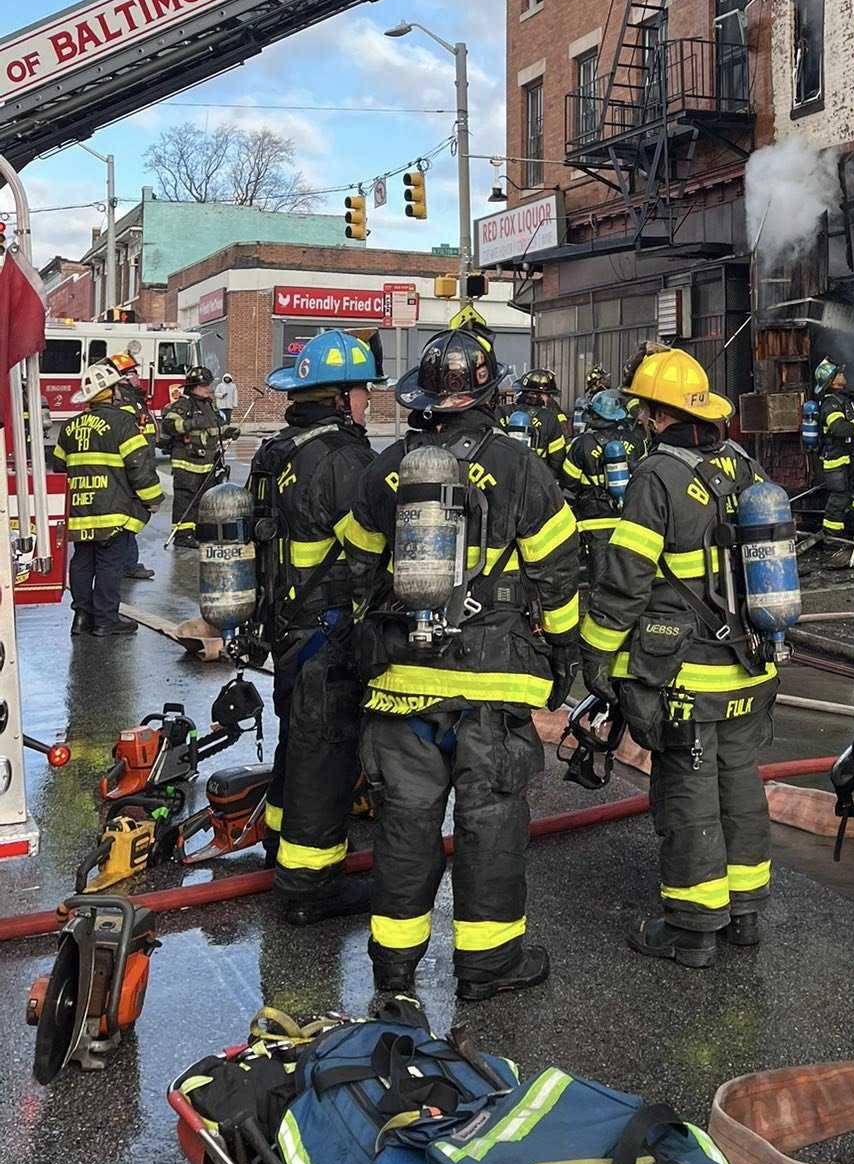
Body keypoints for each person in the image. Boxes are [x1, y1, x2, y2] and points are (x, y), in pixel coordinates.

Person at [340, 328, 581, 1006]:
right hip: (493, 688)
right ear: (491, 395)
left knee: (405, 831)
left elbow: (354, 569)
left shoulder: (389, 468)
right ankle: (488, 967)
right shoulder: (519, 467)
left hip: (401, 688)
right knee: (491, 825)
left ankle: (393, 974)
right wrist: (564, 652)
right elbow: (558, 574)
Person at [581, 347, 778, 966]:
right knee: (740, 788)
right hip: (751, 667)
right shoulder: (742, 467)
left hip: (685, 676)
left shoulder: (657, 476)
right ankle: (744, 915)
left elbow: (624, 581)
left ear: (654, 414)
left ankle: (694, 929)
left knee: (689, 795)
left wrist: (595, 658)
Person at [248, 329, 380, 926]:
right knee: (323, 752)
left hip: (287, 629)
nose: (368, 402)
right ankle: (308, 887)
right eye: (363, 391)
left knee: (296, 743)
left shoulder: (278, 451)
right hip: (330, 633)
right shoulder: (346, 460)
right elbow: (372, 552)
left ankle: (278, 843)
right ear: (341, 395)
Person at [51, 360, 163, 636]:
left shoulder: (70, 426)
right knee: (109, 564)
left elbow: (59, 466)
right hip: (113, 509)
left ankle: (80, 618)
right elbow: (139, 466)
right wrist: (153, 499)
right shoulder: (122, 422)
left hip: (80, 510)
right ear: (111, 391)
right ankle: (105, 620)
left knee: (82, 561)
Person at [561, 387, 648, 581]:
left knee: (599, 580)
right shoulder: (637, 441)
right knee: (627, 575)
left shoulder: (581, 444)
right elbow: (645, 478)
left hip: (593, 523)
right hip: (628, 520)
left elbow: (568, 484)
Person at [159, 364, 235, 548]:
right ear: (194, 387)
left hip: (206, 464)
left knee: (204, 501)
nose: (208, 389)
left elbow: (214, 429)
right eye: (205, 386)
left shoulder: (208, 405)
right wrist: (192, 423)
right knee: (185, 501)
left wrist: (228, 432)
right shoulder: (183, 404)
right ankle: (182, 535)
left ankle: (198, 531)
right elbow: (169, 425)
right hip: (186, 462)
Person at [809, 360, 854, 552]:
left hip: (850, 459)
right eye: (838, 373)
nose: (843, 374)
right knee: (839, 498)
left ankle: (852, 529)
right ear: (833, 381)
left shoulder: (848, 399)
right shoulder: (830, 403)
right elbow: (838, 428)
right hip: (835, 461)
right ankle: (831, 540)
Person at [107, 350, 157, 582]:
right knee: (128, 518)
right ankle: (126, 564)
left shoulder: (134, 399)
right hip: (129, 469)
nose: (138, 376)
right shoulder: (124, 402)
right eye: (133, 372)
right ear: (122, 378)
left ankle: (126, 562)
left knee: (131, 518)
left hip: (136, 465)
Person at [515, 367, 571, 470]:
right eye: (549, 395)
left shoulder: (507, 412)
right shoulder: (553, 416)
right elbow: (558, 459)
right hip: (539, 475)